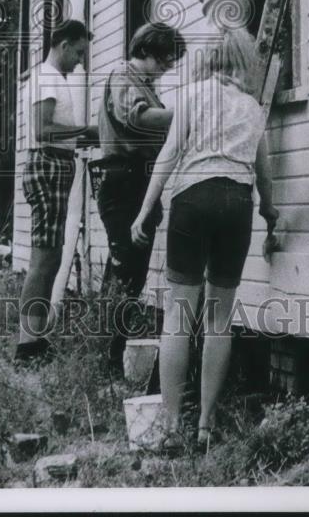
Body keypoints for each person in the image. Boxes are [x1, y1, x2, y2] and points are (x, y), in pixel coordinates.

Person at [130, 29, 279, 453]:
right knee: (219, 319)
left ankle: (173, 426)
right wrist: (270, 214)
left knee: (178, 317)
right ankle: (206, 426)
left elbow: (169, 155)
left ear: (207, 61)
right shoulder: (252, 107)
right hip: (237, 202)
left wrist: (145, 210)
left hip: (193, 199)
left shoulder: (192, 95)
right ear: (242, 62)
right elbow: (263, 175)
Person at [94, 22, 186, 368]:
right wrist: (184, 114)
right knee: (127, 272)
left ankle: (110, 351)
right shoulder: (123, 77)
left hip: (136, 181)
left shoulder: (142, 83)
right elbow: (135, 117)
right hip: (123, 181)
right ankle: (110, 358)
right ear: (146, 50)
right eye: (165, 59)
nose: (168, 67)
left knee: (128, 272)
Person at [15, 20, 98, 367]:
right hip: (47, 164)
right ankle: (27, 345)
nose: (80, 60)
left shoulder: (53, 78)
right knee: (43, 260)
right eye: (78, 51)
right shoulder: (47, 76)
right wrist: (88, 129)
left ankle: (37, 339)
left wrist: (84, 136)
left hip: (57, 164)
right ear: (63, 45)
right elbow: (43, 129)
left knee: (50, 259)